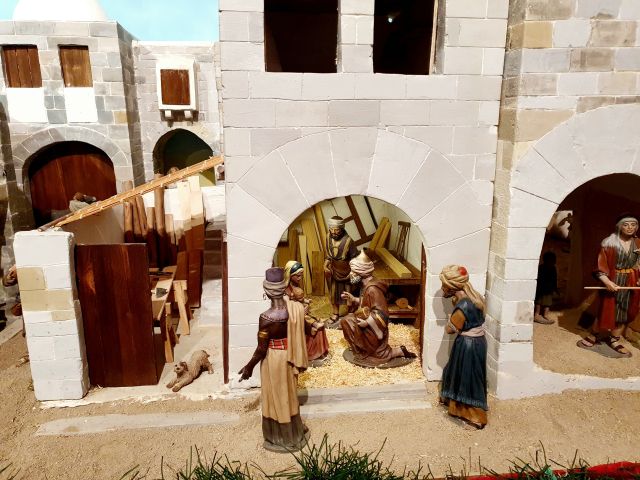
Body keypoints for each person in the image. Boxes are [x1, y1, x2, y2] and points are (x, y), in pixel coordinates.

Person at [238, 267, 309, 452]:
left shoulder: (266, 318)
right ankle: (295, 432)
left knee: (276, 397)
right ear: (284, 287)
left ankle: (281, 437)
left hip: (274, 358)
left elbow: (261, 349)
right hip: (290, 356)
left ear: (266, 291)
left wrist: (249, 367)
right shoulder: (295, 309)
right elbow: (304, 330)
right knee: (289, 395)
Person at [339, 250, 416, 367]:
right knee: (346, 321)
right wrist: (354, 299)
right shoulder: (367, 285)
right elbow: (367, 304)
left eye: (353, 271)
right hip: (366, 320)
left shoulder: (373, 289)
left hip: (373, 327)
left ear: (362, 272)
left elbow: (381, 313)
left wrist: (366, 323)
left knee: (378, 355)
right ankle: (361, 349)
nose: (351, 274)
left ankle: (393, 352)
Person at [579, 214, 640, 357]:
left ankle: (614, 339)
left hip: (631, 283)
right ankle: (594, 334)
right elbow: (600, 265)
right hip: (613, 280)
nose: (630, 227)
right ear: (619, 226)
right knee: (606, 309)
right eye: (626, 224)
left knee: (624, 311)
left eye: (633, 224)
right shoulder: (609, 243)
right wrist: (607, 281)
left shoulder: (638, 243)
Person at [439, 264, 488, 429]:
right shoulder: (475, 297)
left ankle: (476, 415)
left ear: (452, 287)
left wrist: (450, 320)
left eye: (444, 285)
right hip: (477, 342)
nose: (442, 288)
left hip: (468, 346)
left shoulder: (464, 306)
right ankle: (453, 404)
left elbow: (450, 329)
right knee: (456, 372)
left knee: (468, 378)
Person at [284, 261, 329, 364]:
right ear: (290, 275)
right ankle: (310, 352)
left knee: (320, 324)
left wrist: (306, 301)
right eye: (297, 276)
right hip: (294, 317)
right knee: (311, 322)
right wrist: (300, 311)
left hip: (303, 313)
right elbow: (287, 307)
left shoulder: (296, 286)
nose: (300, 278)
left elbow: (300, 300)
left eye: (301, 275)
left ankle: (319, 352)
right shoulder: (286, 290)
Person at [323, 216, 358, 326]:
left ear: (342, 228)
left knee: (348, 293)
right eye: (331, 229)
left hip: (347, 272)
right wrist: (325, 265)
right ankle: (335, 314)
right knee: (333, 293)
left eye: (336, 230)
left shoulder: (349, 241)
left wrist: (353, 272)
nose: (333, 232)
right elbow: (329, 255)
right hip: (334, 271)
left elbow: (355, 258)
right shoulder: (328, 237)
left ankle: (350, 314)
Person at [534, 251, 558, 325]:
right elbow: (538, 278)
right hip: (540, 288)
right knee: (538, 302)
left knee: (548, 303)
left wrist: (555, 288)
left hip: (548, 289)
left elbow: (555, 279)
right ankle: (536, 314)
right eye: (550, 260)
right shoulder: (541, 268)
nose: (552, 262)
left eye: (553, 260)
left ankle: (546, 315)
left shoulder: (553, 269)